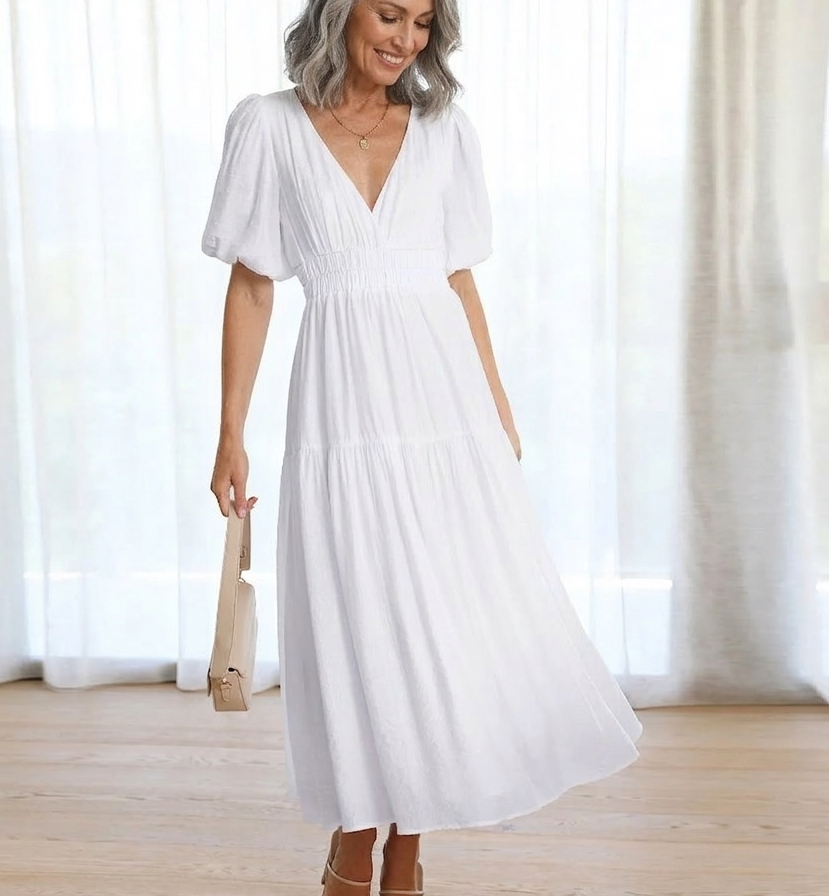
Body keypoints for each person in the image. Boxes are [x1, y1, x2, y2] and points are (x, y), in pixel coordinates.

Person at [201, 1, 643, 893]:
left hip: (444, 412)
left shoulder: (445, 133)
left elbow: (458, 280)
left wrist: (497, 402)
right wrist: (230, 430)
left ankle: (406, 844)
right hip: (341, 411)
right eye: (389, 14)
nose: (406, 39)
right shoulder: (268, 125)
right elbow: (253, 285)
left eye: (424, 24)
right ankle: (354, 827)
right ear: (339, 15)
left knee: (439, 619)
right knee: (354, 615)